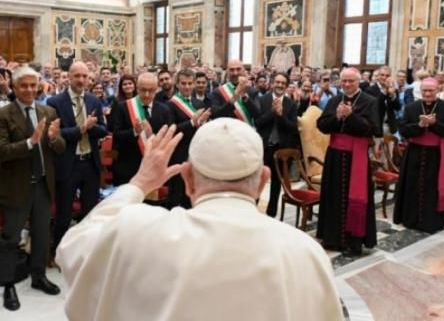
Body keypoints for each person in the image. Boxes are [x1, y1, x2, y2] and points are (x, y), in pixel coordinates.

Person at [56, 121, 343, 321]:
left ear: (188, 178)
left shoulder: (137, 229)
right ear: (263, 181)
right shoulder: (305, 252)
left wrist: (139, 184)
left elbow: (72, 248)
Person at [0, 67, 65, 310]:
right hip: (15, 187)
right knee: (11, 238)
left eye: (34, 85)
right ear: (13, 87)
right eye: (24, 85)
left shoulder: (48, 110)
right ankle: (8, 284)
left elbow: (60, 147)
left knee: (42, 235)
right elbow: (1, 153)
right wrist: (30, 142)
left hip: (43, 185)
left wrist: (53, 138)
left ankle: (39, 277)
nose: (30, 90)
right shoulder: (2, 115)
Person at [316, 68, 380, 256]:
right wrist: (336, 117)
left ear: (358, 81)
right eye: (343, 81)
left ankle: (354, 242)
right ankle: (333, 238)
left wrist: (351, 116)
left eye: (350, 81)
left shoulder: (370, 101)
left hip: (357, 157)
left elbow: (372, 129)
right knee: (333, 196)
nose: (346, 84)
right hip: (335, 156)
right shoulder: (335, 100)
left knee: (356, 197)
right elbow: (321, 126)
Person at [48, 61, 107, 258]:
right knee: (64, 214)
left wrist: (91, 127)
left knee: (90, 212)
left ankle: (86, 252)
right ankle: (59, 253)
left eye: (85, 76)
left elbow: (103, 130)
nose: (81, 80)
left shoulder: (93, 100)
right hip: (68, 165)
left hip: (90, 163)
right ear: (69, 77)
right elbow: (56, 135)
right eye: (77, 76)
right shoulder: (55, 102)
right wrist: (81, 128)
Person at [394, 78, 444, 233]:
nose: (428, 93)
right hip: (414, 153)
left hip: (436, 156)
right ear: (420, 90)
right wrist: (420, 125)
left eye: (431, 90)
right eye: (425, 90)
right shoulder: (412, 107)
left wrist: (434, 124)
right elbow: (403, 130)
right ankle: (410, 220)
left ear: (438, 90)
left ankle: (432, 222)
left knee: (433, 188)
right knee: (411, 186)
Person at [110, 72, 173, 186]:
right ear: (137, 88)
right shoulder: (122, 107)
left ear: (157, 89)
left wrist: (151, 136)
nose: (147, 94)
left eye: (151, 90)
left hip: (153, 167)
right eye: (143, 90)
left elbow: (168, 138)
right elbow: (116, 135)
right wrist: (135, 132)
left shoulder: (164, 109)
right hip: (127, 167)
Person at [255, 72, 299, 218]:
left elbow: (293, 128)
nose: (279, 85)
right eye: (277, 82)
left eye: (283, 83)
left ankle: (271, 213)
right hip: (263, 147)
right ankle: (252, 210)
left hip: (281, 149)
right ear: (272, 83)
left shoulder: (291, 104)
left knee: (276, 183)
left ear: (286, 86)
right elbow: (258, 123)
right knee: (257, 180)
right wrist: (273, 113)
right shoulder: (262, 100)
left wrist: (281, 116)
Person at [166, 68, 210, 208]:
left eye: (190, 83)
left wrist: (203, 122)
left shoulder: (199, 103)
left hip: (196, 154)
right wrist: (192, 122)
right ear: (177, 84)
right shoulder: (170, 105)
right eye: (183, 84)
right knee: (176, 194)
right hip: (178, 155)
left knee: (192, 194)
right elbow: (171, 130)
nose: (187, 87)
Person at [210, 59, 258, 125]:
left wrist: (244, 96)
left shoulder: (253, 91)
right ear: (227, 71)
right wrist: (234, 97)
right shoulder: (218, 92)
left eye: (238, 69)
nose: (235, 73)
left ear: (243, 70)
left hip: (246, 132)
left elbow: (257, 114)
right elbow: (215, 115)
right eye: (232, 70)